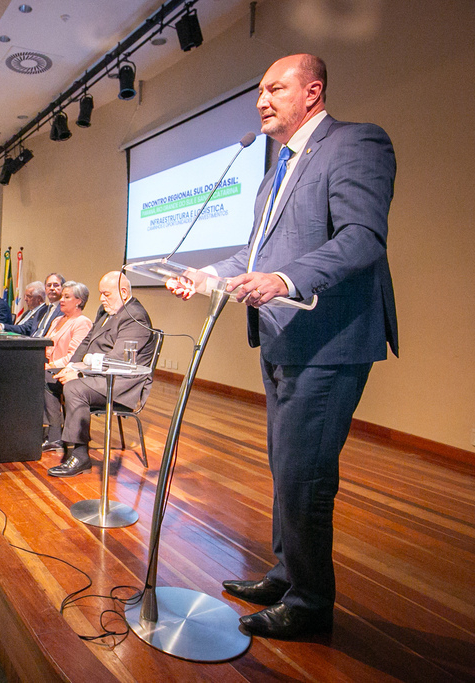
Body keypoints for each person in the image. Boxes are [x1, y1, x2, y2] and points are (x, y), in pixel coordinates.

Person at [165, 54, 397, 640]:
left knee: (306, 476)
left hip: (328, 340)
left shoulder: (357, 143)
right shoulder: (274, 171)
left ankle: (312, 602)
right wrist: (208, 276)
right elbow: (254, 256)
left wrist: (287, 281)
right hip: (281, 340)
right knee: (285, 467)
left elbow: (361, 239)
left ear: (313, 91)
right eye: (260, 90)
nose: (261, 99)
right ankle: (286, 572)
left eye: (275, 88)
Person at [43, 272, 155, 474]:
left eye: (106, 294)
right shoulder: (105, 311)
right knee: (48, 376)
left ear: (123, 292)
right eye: (101, 293)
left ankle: (80, 456)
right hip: (97, 374)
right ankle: (54, 436)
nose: (101, 298)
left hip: (121, 382)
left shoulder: (135, 316)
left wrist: (80, 375)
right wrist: (72, 366)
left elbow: (119, 360)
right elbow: (86, 342)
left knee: (75, 388)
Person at [44, 282, 94, 369]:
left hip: (61, 370)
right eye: (62, 296)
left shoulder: (82, 322)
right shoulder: (57, 320)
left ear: (79, 301)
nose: (61, 300)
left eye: (66, 297)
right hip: (45, 366)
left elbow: (74, 355)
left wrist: (50, 366)